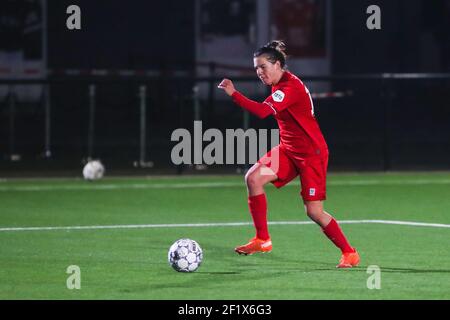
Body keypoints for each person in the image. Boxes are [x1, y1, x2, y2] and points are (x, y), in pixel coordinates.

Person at [217, 40, 360, 268]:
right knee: (253, 178)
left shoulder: (289, 87)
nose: (259, 72)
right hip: (288, 149)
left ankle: (349, 252)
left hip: (311, 154)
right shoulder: (279, 83)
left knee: (314, 212)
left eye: (263, 67)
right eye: (256, 68)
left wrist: (234, 94)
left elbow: (263, 112)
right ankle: (262, 239)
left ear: (277, 64)